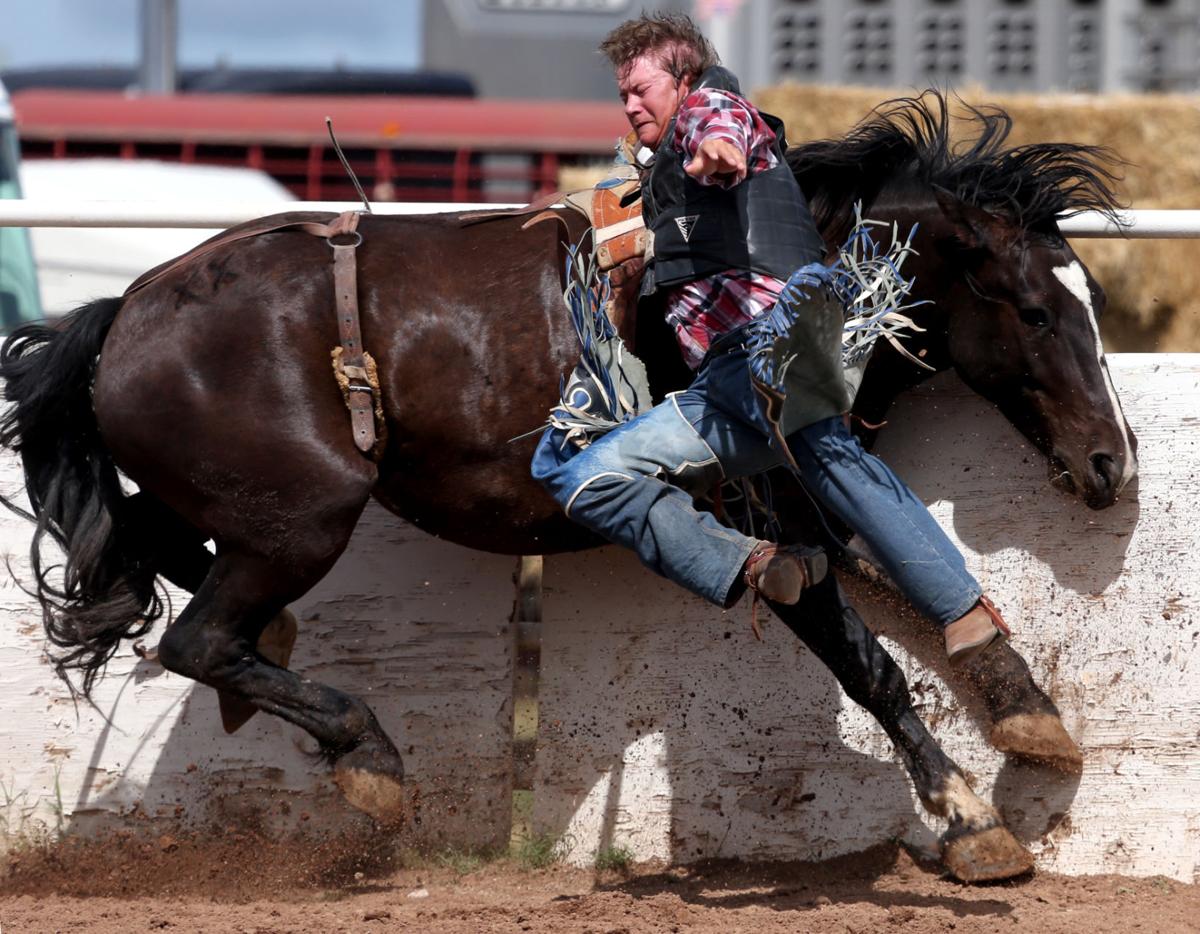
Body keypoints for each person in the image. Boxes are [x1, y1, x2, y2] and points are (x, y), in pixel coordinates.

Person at [532, 12, 1007, 665]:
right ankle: (760, 564)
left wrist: (717, 151)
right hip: (725, 387)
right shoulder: (659, 168)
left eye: (641, 89)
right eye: (621, 94)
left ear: (686, 79)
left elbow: (722, 129)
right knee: (578, 473)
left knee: (824, 452)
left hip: (781, 342)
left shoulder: (714, 108)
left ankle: (963, 607)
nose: (629, 104)